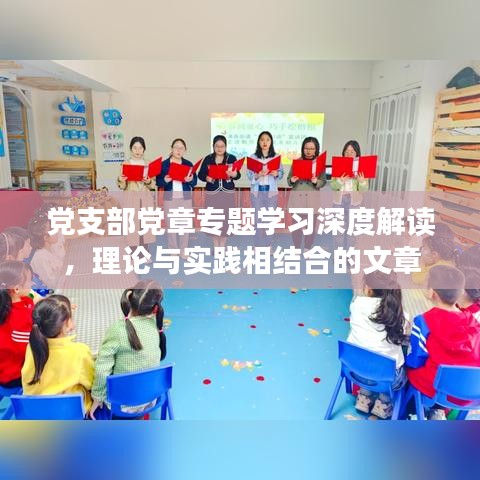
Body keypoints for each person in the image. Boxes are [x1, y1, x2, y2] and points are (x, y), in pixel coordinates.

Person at [406, 265, 480, 419]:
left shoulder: (423, 321)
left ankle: (409, 409)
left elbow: (416, 360)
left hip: (436, 389)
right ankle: (438, 411)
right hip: (471, 391)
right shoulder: (473, 322)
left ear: (431, 292)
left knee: (406, 370)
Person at [89, 280, 165, 419]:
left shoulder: (117, 329)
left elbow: (102, 369)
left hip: (120, 405)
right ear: (155, 309)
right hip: (150, 400)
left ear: (130, 299)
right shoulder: (156, 326)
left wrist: (97, 398)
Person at [347, 271, 407, 419]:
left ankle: (364, 396)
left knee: (367, 353)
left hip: (354, 369)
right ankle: (383, 403)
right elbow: (404, 334)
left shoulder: (356, 304)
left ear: (368, 289)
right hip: (387, 379)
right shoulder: (400, 314)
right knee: (401, 367)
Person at [21, 295, 94, 413]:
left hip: (35, 412)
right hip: (68, 413)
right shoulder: (79, 351)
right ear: (67, 324)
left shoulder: (32, 346)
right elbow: (91, 383)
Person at [156, 138, 197, 259]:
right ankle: (173, 249)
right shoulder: (164, 164)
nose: (178, 150)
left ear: (185, 150)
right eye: (176, 147)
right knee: (171, 225)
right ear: (171, 149)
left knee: (185, 225)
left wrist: (190, 180)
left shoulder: (188, 164)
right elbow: (158, 182)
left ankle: (183, 250)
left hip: (185, 198)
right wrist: (165, 180)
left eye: (181, 148)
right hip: (170, 198)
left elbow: (194, 182)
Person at [198, 135, 240, 249]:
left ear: (226, 147)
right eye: (217, 146)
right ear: (213, 146)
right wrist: (206, 178)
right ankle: (216, 245)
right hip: (212, 193)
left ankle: (222, 245)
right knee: (214, 220)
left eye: (222, 146)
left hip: (227, 194)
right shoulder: (208, 159)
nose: (220, 148)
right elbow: (200, 174)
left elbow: (238, 175)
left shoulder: (231, 158)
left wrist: (234, 174)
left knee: (226, 221)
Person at [287, 137, 326, 252]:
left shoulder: (319, 164)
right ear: (303, 149)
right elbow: (289, 179)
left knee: (310, 226)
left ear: (316, 149)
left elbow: (323, 181)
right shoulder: (297, 162)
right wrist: (292, 180)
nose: (309, 151)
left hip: (312, 198)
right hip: (297, 198)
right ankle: (297, 247)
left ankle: (308, 247)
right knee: (296, 226)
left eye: (312, 149)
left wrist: (316, 181)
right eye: (306, 148)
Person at [247, 131, 284, 249]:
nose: (265, 142)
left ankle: (268, 245)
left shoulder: (276, 157)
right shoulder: (253, 157)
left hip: (271, 193)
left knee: (269, 220)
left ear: (271, 142)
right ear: (259, 142)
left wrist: (276, 173)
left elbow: (281, 173)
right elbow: (249, 176)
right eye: (262, 140)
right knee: (257, 220)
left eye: (267, 140)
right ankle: (257, 245)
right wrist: (258, 175)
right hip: (257, 192)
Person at [117, 136, 156, 249]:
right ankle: (133, 251)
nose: (137, 151)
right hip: (131, 199)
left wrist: (149, 181)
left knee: (145, 226)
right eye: (134, 148)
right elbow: (122, 186)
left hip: (145, 199)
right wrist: (121, 180)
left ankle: (145, 251)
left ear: (144, 149)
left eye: (140, 148)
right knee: (133, 226)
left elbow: (153, 186)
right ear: (131, 149)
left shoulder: (148, 164)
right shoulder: (125, 164)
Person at [0, 261, 34, 389]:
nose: (32, 284)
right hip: (13, 376)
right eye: (29, 281)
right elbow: (29, 349)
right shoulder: (19, 317)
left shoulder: (23, 302)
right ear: (16, 289)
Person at [28, 214, 65, 289]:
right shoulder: (40, 257)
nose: (57, 232)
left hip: (62, 282)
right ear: (46, 237)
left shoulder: (51, 247)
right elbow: (52, 284)